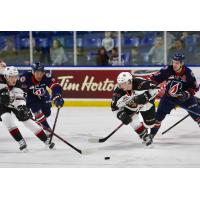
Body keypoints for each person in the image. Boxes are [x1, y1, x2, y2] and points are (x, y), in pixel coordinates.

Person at [148, 53, 200, 145]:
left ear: (182, 63)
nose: (174, 64)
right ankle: (151, 136)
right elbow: (153, 79)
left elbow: (195, 87)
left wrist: (187, 94)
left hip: (184, 99)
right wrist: (152, 86)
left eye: (177, 63)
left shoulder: (188, 73)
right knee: (157, 118)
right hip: (168, 98)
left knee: (197, 115)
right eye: (173, 62)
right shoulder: (167, 70)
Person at [0, 66, 55, 152]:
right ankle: (20, 141)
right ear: (6, 77)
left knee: (27, 120)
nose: (14, 79)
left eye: (15, 76)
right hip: (1, 106)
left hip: (14, 103)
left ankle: (45, 139)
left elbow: (20, 99)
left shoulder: (19, 84)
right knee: (6, 119)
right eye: (11, 77)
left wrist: (22, 108)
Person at [111, 72, 158, 145]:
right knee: (129, 118)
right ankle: (143, 135)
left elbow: (155, 89)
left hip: (146, 106)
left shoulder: (140, 83)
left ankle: (145, 125)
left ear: (129, 82)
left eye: (122, 83)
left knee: (150, 124)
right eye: (119, 83)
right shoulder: (118, 92)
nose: (120, 85)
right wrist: (121, 115)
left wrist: (146, 96)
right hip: (131, 107)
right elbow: (114, 108)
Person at [20, 62, 64, 134]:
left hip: (43, 94)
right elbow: (19, 90)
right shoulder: (25, 77)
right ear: (33, 72)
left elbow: (55, 85)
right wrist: (23, 104)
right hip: (30, 96)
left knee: (47, 112)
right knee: (36, 110)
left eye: (41, 73)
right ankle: (48, 130)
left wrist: (57, 96)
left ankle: (39, 121)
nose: (39, 75)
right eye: (37, 73)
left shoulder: (46, 76)